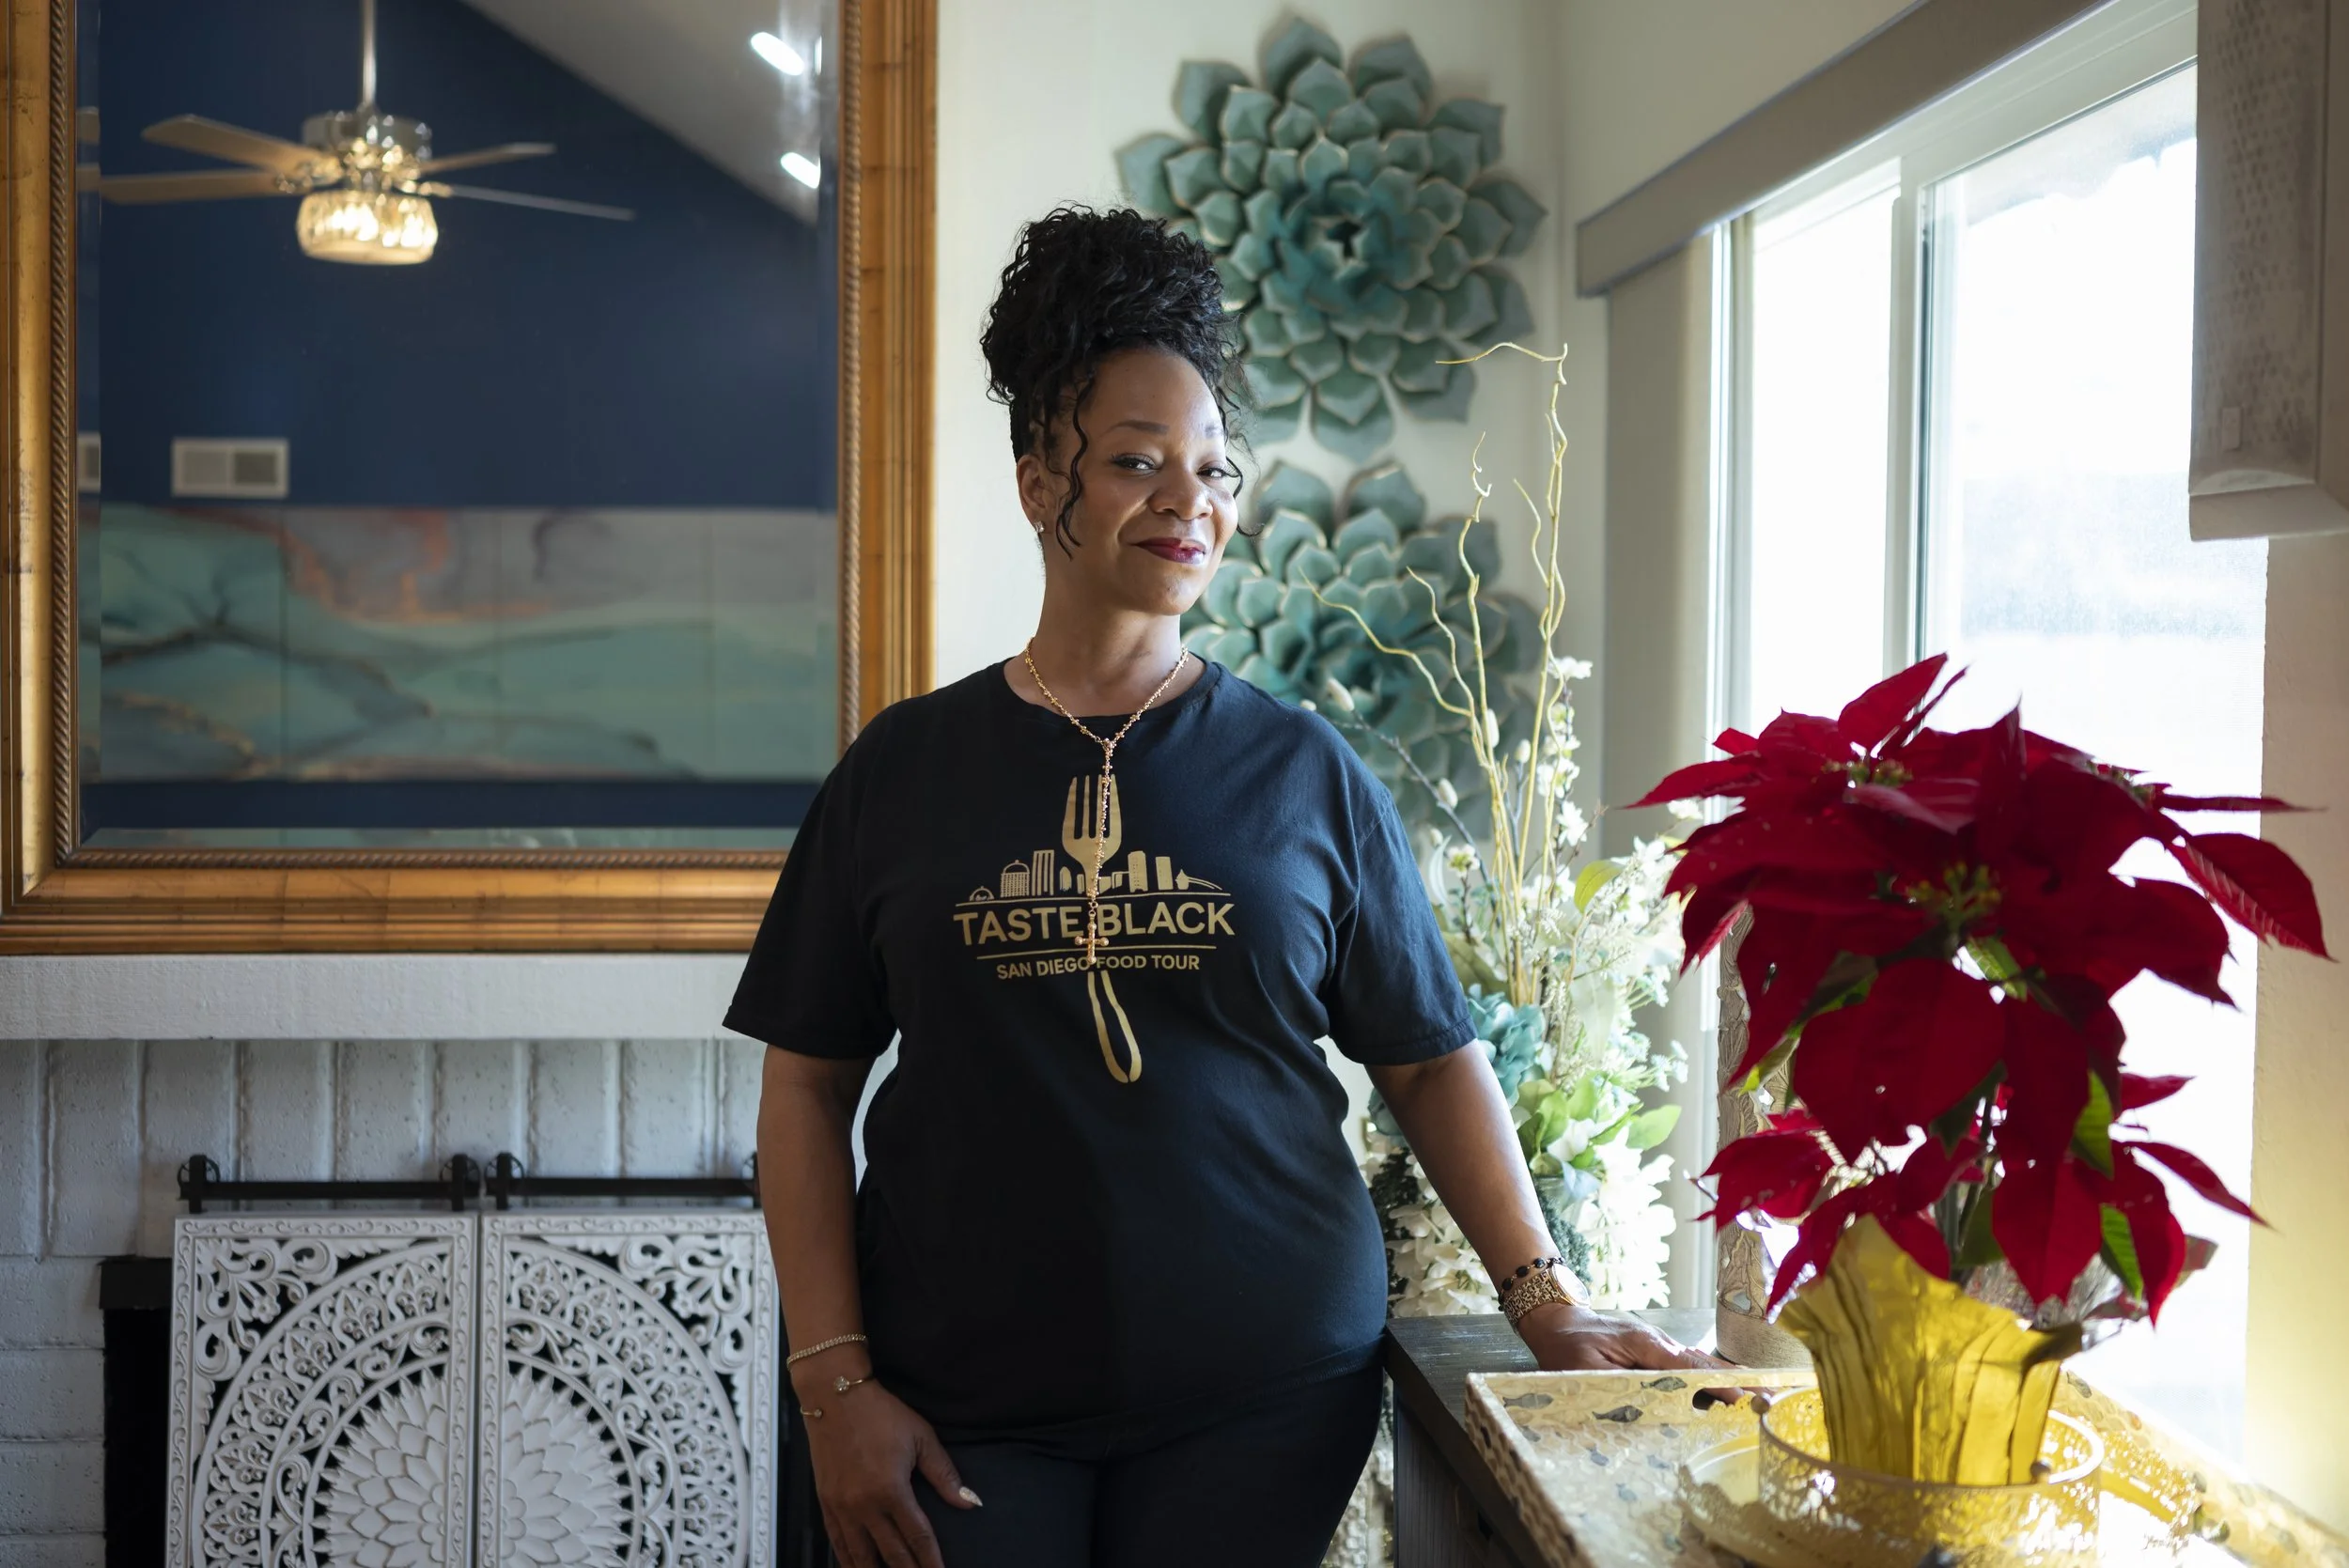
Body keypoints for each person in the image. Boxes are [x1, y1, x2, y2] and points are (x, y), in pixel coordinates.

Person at [730, 205, 1724, 1568]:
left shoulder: (1302, 769)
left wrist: (1545, 1300)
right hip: (960, 1410)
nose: (1188, 499)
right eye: (1136, 461)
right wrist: (832, 1385)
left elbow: (1431, 1060)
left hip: (1265, 1403)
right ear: (1039, 484)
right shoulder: (904, 772)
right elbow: (805, 1085)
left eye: (1213, 467)